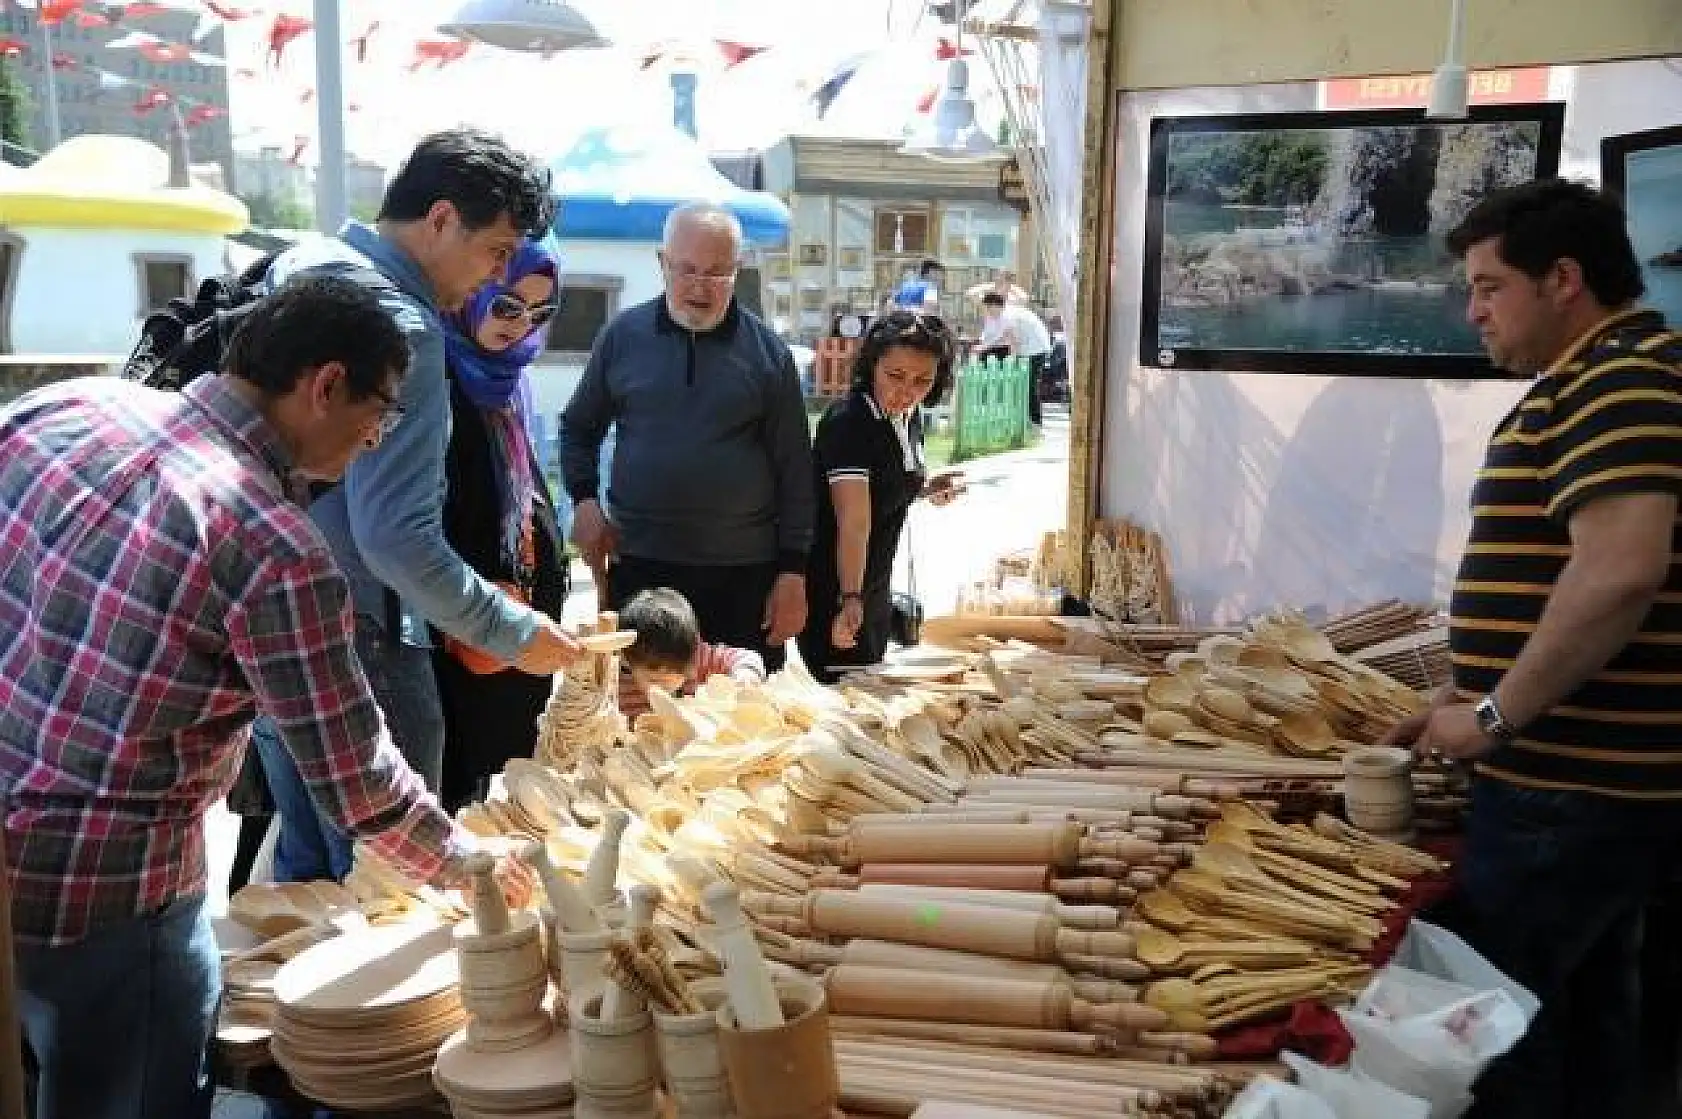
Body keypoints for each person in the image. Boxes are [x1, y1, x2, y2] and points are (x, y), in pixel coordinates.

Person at [0, 277, 534, 1119]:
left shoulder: (60, 412)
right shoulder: (272, 544)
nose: (375, 440)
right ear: (325, 385)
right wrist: (470, 861)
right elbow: (358, 779)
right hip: (113, 897)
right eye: (382, 414)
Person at [1383, 179, 1682, 1119]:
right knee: (1590, 1014)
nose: (1471, 311)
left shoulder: (1622, 377)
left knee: (1508, 1027)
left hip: (1573, 788)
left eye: (1487, 287)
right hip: (1589, 788)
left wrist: (1491, 713)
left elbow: (1619, 570)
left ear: (1563, 278)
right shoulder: (1616, 372)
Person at [252, 128, 577, 882]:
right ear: (438, 219)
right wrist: (509, 631)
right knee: (393, 893)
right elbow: (395, 535)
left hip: (273, 621)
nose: (495, 274)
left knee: (308, 882)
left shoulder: (302, 263)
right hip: (364, 638)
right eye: (496, 251)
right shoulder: (405, 327)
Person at [563, 201, 815, 672]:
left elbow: (796, 472)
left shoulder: (768, 356)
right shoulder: (623, 338)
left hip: (742, 578)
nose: (700, 287)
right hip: (643, 569)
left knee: (743, 722)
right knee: (641, 716)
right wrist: (583, 499)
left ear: (737, 272)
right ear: (663, 263)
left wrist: (792, 573)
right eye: (687, 270)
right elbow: (578, 428)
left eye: (717, 273)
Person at [433, 240, 572, 811]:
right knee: (456, 798)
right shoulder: (434, 377)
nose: (520, 327)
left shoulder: (508, 379)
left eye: (540, 313)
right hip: (460, 631)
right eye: (508, 305)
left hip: (512, 633)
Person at [799, 311, 964, 682]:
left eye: (923, 380)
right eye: (896, 375)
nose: (907, 390)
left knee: (871, 692)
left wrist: (925, 489)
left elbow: (884, 486)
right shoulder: (850, 423)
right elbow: (853, 522)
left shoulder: (906, 417)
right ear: (872, 364)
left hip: (873, 585)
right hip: (836, 588)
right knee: (845, 704)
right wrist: (850, 599)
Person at [616, 588, 768, 719]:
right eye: (654, 679)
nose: (665, 685)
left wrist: (745, 677)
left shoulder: (695, 658)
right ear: (627, 659)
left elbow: (748, 658)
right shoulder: (616, 685)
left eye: (677, 671)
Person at [978, 290, 1053, 426]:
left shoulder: (1008, 315)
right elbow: (1004, 337)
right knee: (1024, 386)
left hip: (1035, 350)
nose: (988, 312)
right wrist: (986, 346)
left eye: (988, 308)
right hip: (1032, 348)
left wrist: (1012, 362)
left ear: (995, 305)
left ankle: (1035, 422)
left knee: (1028, 386)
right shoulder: (1007, 313)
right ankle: (1027, 420)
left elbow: (1013, 340)